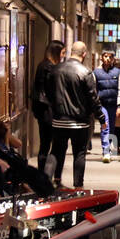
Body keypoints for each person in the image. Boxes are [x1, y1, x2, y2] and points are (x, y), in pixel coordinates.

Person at [48, 42, 106, 188]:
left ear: (70, 52)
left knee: (56, 151)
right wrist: (102, 118)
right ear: (84, 54)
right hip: (79, 121)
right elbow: (93, 98)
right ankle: (78, 186)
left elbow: (48, 93)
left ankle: (52, 181)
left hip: (59, 119)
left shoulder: (56, 70)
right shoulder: (85, 72)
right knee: (79, 153)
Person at [31, 40, 65, 171]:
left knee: (45, 144)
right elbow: (52, 90)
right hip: (48, 111)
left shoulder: (43, 65)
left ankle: (43, 174)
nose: (63, 56)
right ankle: (44, 175)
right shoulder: (49, 67)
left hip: (43, 111)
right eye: (62, 52)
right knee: (48, 145)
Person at [93, 51, 120, 162]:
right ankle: (105, 150)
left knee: (112, 127)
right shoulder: (96, 72)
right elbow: (93, 89)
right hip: (102, 105)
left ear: (113, 59)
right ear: (101, 58)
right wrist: (95, 105)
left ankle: (110, 147)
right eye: (105, 56)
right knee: (105, 126)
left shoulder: (117, 72)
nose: (107, 59)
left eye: (110, 57)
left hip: (114, 105)